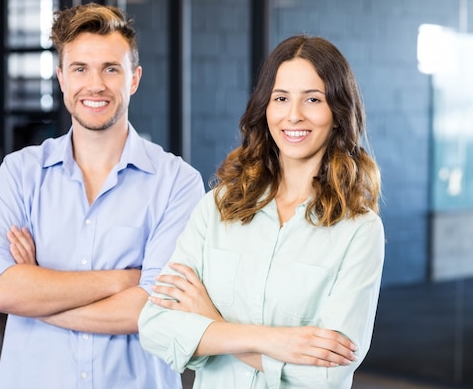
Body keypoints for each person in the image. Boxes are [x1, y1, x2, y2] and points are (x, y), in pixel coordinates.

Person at [0, 3, 204, 389]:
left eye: (110, 69)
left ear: (134, 79)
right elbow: (0, 290)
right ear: (62, 78)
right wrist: (121, 281)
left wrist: (37, 298)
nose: (94, 85)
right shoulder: (20, 173)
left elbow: (151, 309)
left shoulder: (178, 183)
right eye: (80, 68)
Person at [138, 34, 385, 389]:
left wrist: (212, 325)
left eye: (313, 99)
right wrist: (274, 341)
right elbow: (157, 327)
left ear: (338, 113)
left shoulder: (360, 230)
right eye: (281, 98)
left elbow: (325, 374)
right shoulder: (218, 208)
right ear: (265, 108)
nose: (293, 115)